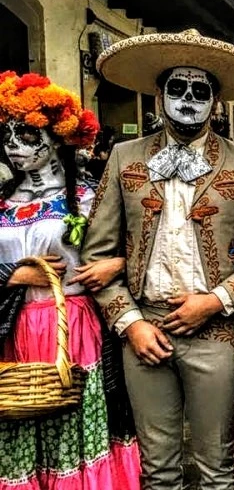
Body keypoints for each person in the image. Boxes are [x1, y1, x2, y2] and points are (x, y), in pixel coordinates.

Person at [82, 29, 234, 490]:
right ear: (158, 96)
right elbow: (97, 254)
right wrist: (130, 323)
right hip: (144, 327)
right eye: (178, 89)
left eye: (199, 91)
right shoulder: (123, 157)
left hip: (218, 331)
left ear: (214, 102)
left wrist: (214, 302)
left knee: (218, 466)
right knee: (158, 470)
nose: (188, 99)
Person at [0, 71, 141, 489]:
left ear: (57, 138)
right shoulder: (2, 201)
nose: (13, 145)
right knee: (20, 416)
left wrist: (117, 265)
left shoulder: (89, 197)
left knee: (74, 421)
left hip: (75, 327)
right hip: (14, 329)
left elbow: (140, 247)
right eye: (6, 134)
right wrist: (14, 275)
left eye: (26, 134)